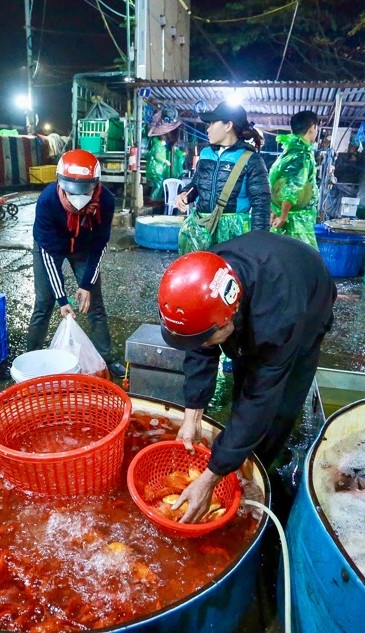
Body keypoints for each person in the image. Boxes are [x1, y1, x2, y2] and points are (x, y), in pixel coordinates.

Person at [157, 232, 336, 522]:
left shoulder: (278, 320)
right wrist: (192, 417)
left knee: (279, 401)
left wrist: (212, 477)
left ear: (229, 317)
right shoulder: (206, 277)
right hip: (260, 269)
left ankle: (260, 467)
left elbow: (260, 396)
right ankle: (237, 451)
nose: (202, 345)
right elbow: (198, 349)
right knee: (239, 372)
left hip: (307, 294)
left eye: (206, 337)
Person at [26, 149, 126, 378]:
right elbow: (48, 257)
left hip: (84, 248)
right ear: (60, 182)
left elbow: (100, 246)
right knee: (44, 302)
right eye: (71, 190)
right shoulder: (48, 200)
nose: (77, 198)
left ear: (96, 184)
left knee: (95, 305)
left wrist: (86, 285)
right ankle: (30, 357)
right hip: (51, 247)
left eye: (85, 190)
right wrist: (62, 298)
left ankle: (107, 357)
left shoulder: (106, 201)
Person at [176, 102, 270, 248]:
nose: (208, 129)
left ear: (228, 126)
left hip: (234, 232)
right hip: (202, 229)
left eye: (212, 123)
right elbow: (196, 184)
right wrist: (184, 195)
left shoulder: (251, 159)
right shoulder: (206, 153)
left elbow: (261, 204)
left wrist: (257, 244)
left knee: (227, 271)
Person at [269, 111, 319, 248]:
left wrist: (275, 212)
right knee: (303, 260)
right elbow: (291, 188)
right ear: (312, 128)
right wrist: (283, 216)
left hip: (287, 217)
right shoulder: (301, 154)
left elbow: (275, 183)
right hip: (296, 223)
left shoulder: (289, 152)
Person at [145, 108, 186, 211]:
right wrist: (165, 161)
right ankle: (153, 200)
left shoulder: (161, 146)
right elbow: (158, 157)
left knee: (158, 185)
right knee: (158, 185)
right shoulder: (158, 146)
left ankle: (156, 199)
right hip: (156, 170)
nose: (166, 137)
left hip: (158, 170)